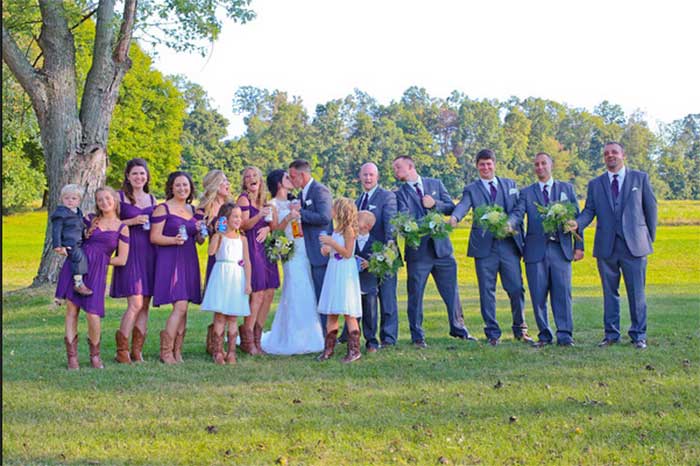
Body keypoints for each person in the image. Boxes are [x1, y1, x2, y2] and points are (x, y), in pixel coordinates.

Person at [570, 141, 657, 349]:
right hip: (606, 247)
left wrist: (647, 238)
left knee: (637, 293)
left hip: (634, 246)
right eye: (607, 153)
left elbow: (651, 210)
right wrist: (577, 223)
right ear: (604, 157)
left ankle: (639, 335)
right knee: (610, 293)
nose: (611, 155)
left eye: (614, 152)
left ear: (623, 155)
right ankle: (611, 335)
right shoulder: (596, 184)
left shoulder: (640, 178)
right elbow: (589, 211)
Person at [392, 155, 476, 348]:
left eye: (398, 167)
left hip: (443, 250)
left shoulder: (435, 183)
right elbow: (405, 218)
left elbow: (450, 207)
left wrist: (434, 204)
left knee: (452, 292)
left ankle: (459, 329)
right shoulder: (399, 194)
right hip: (418, 253)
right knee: (416, 295)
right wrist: (429, 223)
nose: (395, 171)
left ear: (410, 166)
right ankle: (417, 336)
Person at [450, 149, 532, 346]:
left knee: (515, 288)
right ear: (477, 166)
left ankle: (520, 329)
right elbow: (463, 205)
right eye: (481, 165)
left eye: (489, 164)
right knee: (487, 290)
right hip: (484, 248)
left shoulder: (510, 184)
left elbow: (518, 209)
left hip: (508, 245)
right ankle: (492, 333)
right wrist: (455, 217)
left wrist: (510, 223)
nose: (485, 168)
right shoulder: (472, 189)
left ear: (494, 164)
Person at [510, 152, 584, 347]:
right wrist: (509, 224)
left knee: (563, 292)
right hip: (535, 250)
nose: (540, 167)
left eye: (543, 163)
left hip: (561, 249)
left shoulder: (566, 189)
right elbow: (518, 213)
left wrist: (579, 246)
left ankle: (565, 335)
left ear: (551, 165)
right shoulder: (526, 192)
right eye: (536, 164)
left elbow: (577, 219)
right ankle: (544, 334)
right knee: (538, 294)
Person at [55, 187, 130, 369]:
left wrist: (102, 261)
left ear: (115, 199)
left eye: (107, 198)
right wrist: (62, 246)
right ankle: (72, 358)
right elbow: (70, 234)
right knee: (72, 310)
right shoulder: (89, 220)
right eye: (99, 200)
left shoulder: (123, 227)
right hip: (76, 268)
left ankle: (95, 356)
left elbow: (122, 259)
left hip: (98, 271)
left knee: (93, 314)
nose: (104, 202)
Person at [260, 169, 325, 355]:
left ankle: (312, 333)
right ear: (279, 183)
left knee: (308, 287)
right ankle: (293, 336)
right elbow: (274, 231)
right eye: (287, 177)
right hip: (289, 251)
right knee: (296, 287)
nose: (291, 180)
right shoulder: (272, 205)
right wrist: (289, 217)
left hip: (303, 247)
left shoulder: (295, 200)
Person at [150, 171, 206, 364]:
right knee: (180, 305)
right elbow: (154, 237)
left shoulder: (192, 210)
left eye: (186, 185)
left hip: (189, 259)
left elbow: (198, 241)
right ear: (171, 188)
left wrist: (201, 233)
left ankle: (177, 350)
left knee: (185, 307)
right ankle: (166, 352)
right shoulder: (162, 209)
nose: (182, 188)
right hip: (170, 259)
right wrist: (174, 240)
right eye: (178, 185)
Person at [110, 158, 157, 364]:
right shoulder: (119, 197)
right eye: (135, 173)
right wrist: (131, 221)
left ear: (147, 177)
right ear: (127, 176)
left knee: (145, 304)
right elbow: (110, 224)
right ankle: (122, 351)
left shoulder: (153, 199)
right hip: (129, 252)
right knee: (135, 303)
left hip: (150, 253)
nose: (139, 177)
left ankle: (137, 351)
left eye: (142, 173)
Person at [200, 203, 251, 364]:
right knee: (220, 315)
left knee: (233, 317)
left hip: (237, 276)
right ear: (225, 218)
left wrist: (248, 282)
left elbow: (247, 262)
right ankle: (218, 351)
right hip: (221, 275)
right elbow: (210, 252)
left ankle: (231, 352)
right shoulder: (220, 236)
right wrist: (217, 234)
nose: (238, 219)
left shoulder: (242, 239)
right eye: (235, 216)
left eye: (240, 217)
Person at [355, 162, 399, 347]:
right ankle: (366, 337)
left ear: (377, 177)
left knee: (387, 299)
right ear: (360, 177)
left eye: (371, 175)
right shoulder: (358, 201)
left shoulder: (386, 196)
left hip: (384, 256)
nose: (368, 178)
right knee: (367, 300)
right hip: (363, 259)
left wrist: (388, 248)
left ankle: (388, 338)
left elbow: (390, 222)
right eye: (365, 175)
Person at [237, 166, 279, 354]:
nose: (251, 179)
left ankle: (257, 337)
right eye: (248, 177)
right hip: (252, 247)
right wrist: (259, 216)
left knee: (269, 293)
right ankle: (247, 340)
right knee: (257, 293)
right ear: (244, 182)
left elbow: (272, 226)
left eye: (255, 176)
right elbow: (243, 225)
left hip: (266, 248)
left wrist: (269, 228)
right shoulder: (243, 199)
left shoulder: (265, 201)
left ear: (260, 180)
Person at [288, 159, 333, 331]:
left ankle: (327, 333)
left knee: (323, 292)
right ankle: (317, 330)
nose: (292, 181)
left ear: (303, 175)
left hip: (319, 248)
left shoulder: (320, 191)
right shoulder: (302, 194)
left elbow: (325, 217)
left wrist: (300, 213)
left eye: (293, 177)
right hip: (305, 249)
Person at [317, 198, 363, 363]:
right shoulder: (336, 230)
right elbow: (335, 251)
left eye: (334, 208)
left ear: (341, 211)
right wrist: (327, 250)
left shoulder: (349, 231)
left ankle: (354, 350)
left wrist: (332, 243)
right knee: (332, 311)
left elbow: (348, 253)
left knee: (348, 311)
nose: (331, 210)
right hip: (334, 269)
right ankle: (328, 349)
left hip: (345, 272)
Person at [196, 170, 233, 356]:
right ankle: (215, 344)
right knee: (219, 299)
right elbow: (200, 239)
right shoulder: (204, 209)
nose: (227, 185)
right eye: (223, 182)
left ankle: (222, 341)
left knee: (230, 299)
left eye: (227, 181)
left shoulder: (230, 206)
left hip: (233, 256)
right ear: (214, 186)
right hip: (216, 257)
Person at [50, 184, 92, 296]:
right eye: (67, 198)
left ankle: (77, 282)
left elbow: (80, 226)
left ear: (79, 200)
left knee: (82, 257)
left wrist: (85, 233)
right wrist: (57, 246)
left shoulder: (78, 212)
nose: (70, 201)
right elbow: (56, 230)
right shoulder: (61, 213)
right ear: (62, 199)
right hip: (68, 242)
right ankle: (78, 284)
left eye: (74, 198)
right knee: (79, 258)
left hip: (78, 241)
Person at [354, 210, 380, 352]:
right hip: (354, 282)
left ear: (368, 226)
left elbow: (380, 261)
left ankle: (371, 341)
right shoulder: (351, 239)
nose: (355, 222)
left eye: (358, 220)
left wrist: (370, 263)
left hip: (369, 283)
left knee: (370, 313)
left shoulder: (376, 242)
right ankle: (353, 339)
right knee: (354, 313)